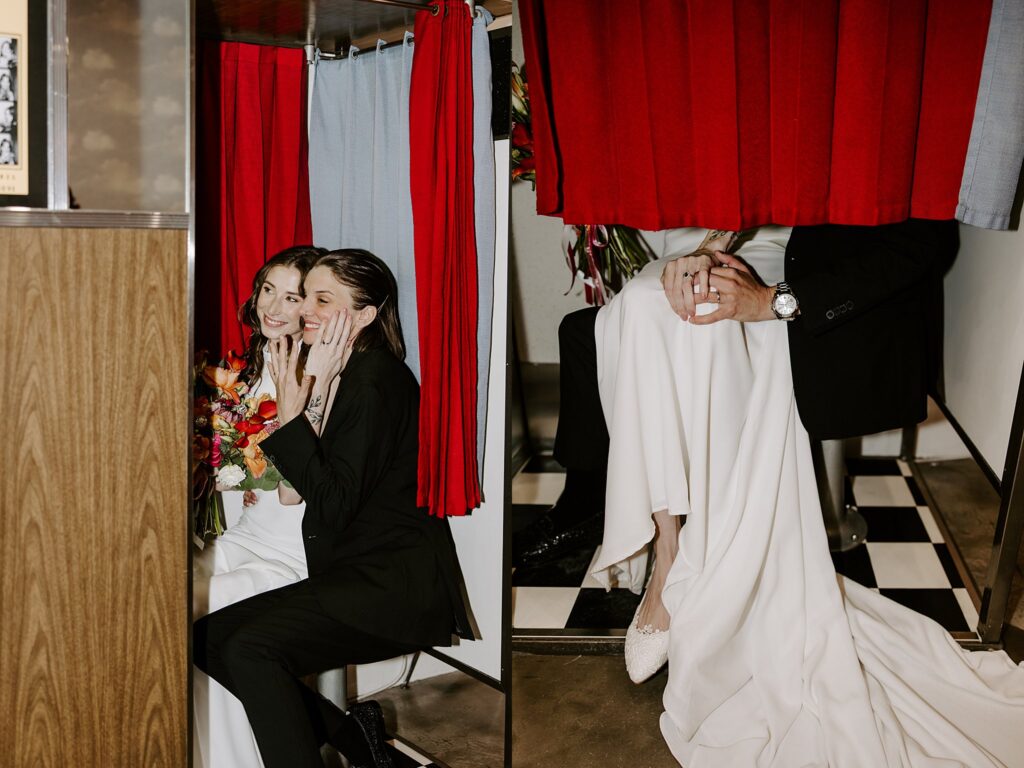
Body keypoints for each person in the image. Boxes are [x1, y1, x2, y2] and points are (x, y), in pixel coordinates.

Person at [557, 220, 1024, 765]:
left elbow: (920, 243)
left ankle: (731, 554)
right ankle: (668, 554)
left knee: (707, 323)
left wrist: (775, 302)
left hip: (805, 265)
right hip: (718, 239)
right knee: (641, 304)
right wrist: (705, 251)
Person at [193, 249, 473, 768]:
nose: (306, 311)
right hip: (348, 571)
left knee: (248, 649)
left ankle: (349, 744)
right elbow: (309, 490)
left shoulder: (375, 380)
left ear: (364, 315)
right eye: (310, 298)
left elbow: (333, 505)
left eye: (324, 300)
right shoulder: (343, 368)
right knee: (205, 640)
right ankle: (357, 740)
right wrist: (307, 397)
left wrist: (299, 408)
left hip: (389, 584)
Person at [193, 245, 323, 768]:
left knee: (211, 617)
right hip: (244, 537)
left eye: (291, 297)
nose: (273, 306)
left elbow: (304, 486)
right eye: (268, 289)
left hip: (293, 557)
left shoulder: (316, 375)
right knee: (157, 592)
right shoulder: (247, 370)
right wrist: (228, 469)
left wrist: (260, 466)